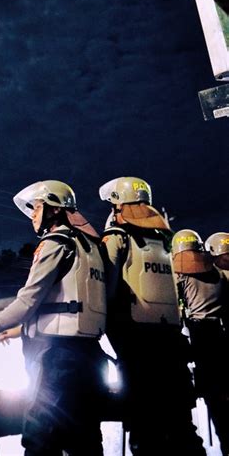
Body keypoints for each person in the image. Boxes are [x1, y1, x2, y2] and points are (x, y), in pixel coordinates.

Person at [0, 179, 107, 456]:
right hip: (89, 354)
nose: (33, 215)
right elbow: (67, 307)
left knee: (40, 437)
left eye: (37, 208)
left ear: (54, 209)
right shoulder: (90, 248)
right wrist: (17, 331)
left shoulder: (56, 242)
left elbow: (29, 299)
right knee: (85, 436)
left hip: (55, 359)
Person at [99, 176, 205, 456]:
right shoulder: (167, 243)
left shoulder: (117, 238)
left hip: (137, 351)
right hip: (172, 347)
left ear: (118, 206)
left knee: (146, 432)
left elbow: (105, 289)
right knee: (183, 430)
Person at [172, 229, 229, 455]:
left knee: (215, 399)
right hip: (221, 334)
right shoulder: (218, 273)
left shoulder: (181, 274)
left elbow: (176, 308)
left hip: (201, 335)